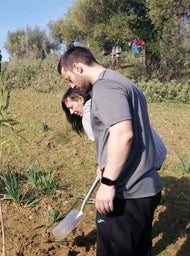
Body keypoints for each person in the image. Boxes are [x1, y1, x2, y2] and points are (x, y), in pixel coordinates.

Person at [57, 47, 163, 255]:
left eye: (69, 78)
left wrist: (107, 183)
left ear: (78, 67)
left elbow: (123, 134)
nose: (72, 85)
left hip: (127, 192)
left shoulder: (105, 87)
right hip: (146, 188)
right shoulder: (124, 82)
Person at [61, 87, 167, 170]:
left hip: (146, 156)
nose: (71, 112)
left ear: (80, 99)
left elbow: (106, 147)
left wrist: (104, 169)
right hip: (156, 148)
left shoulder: (89, 116)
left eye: (71, 107)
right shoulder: (103, 102)